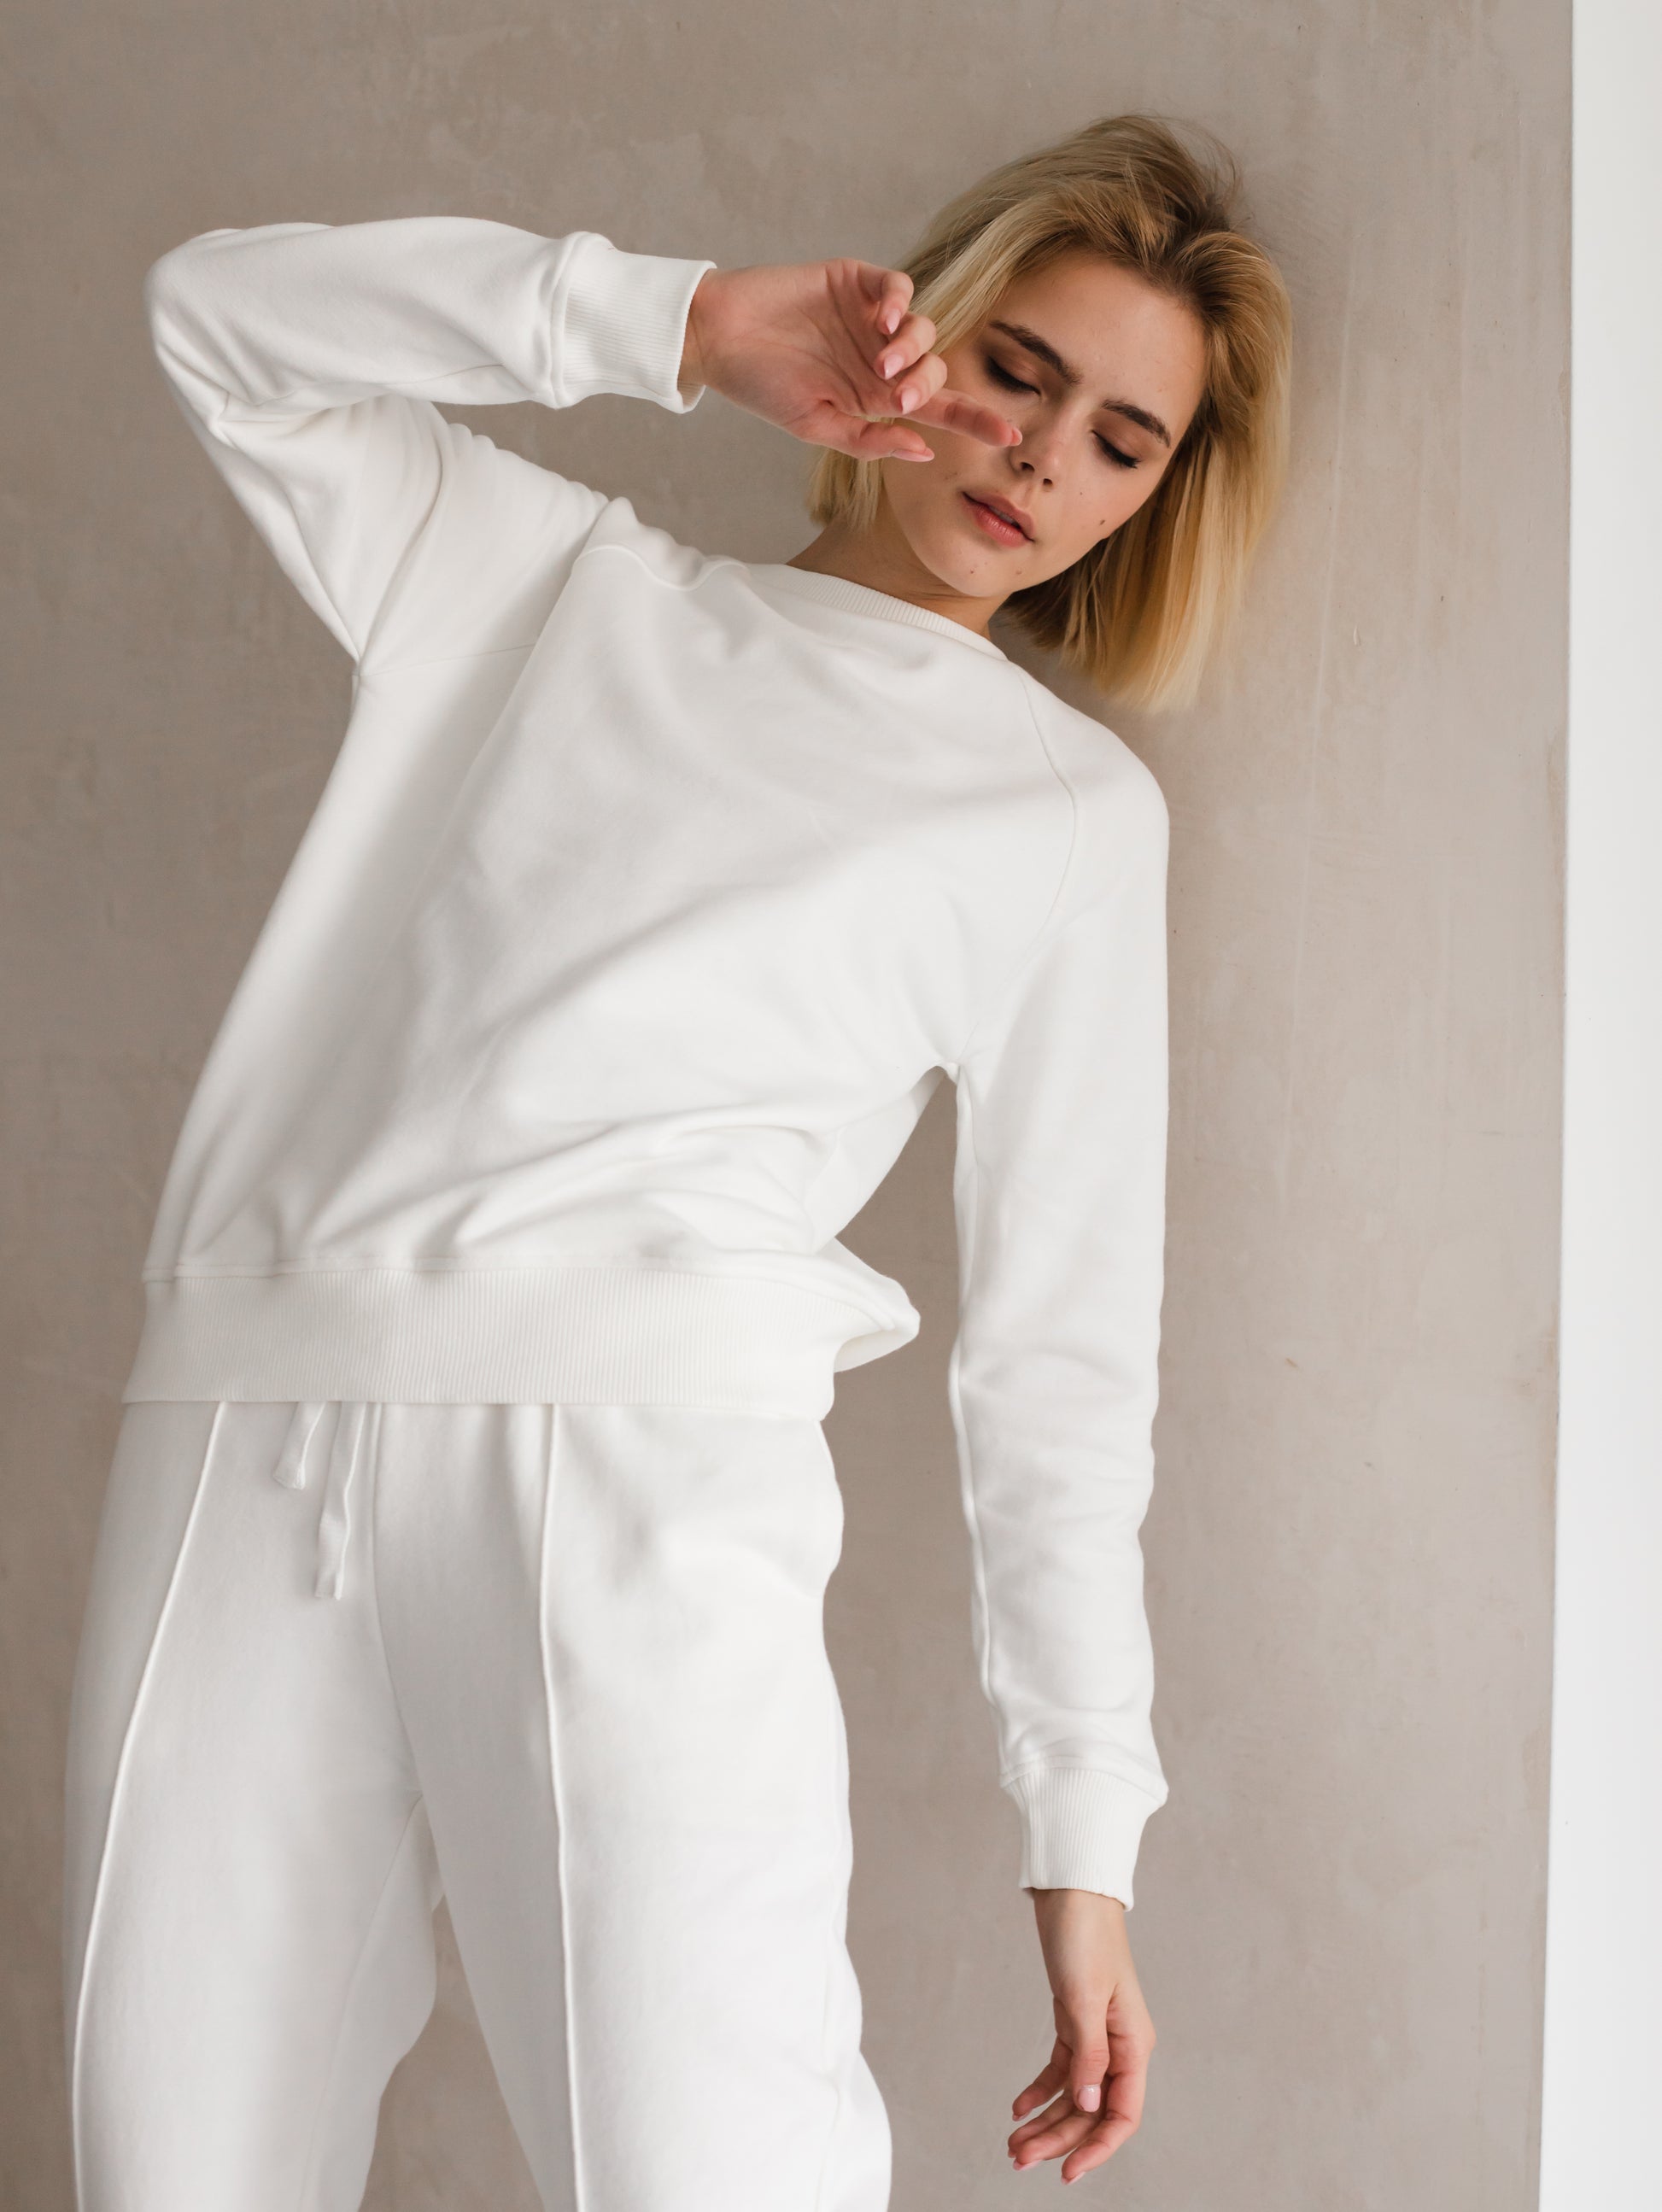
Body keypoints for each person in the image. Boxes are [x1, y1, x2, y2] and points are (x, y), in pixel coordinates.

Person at [61, 111, 1290, 2210]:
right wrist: (683, 323)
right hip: (247, 1425)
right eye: (1019, 368)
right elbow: (219, 320)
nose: (1038, 459)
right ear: (923, 335)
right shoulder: (545, 584)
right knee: (174, 2164)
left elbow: (1062, 1357)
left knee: (714, 2165)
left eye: (1120, 439)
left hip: (638, 1470)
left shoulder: (1066, 818)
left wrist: (1081, 1838)